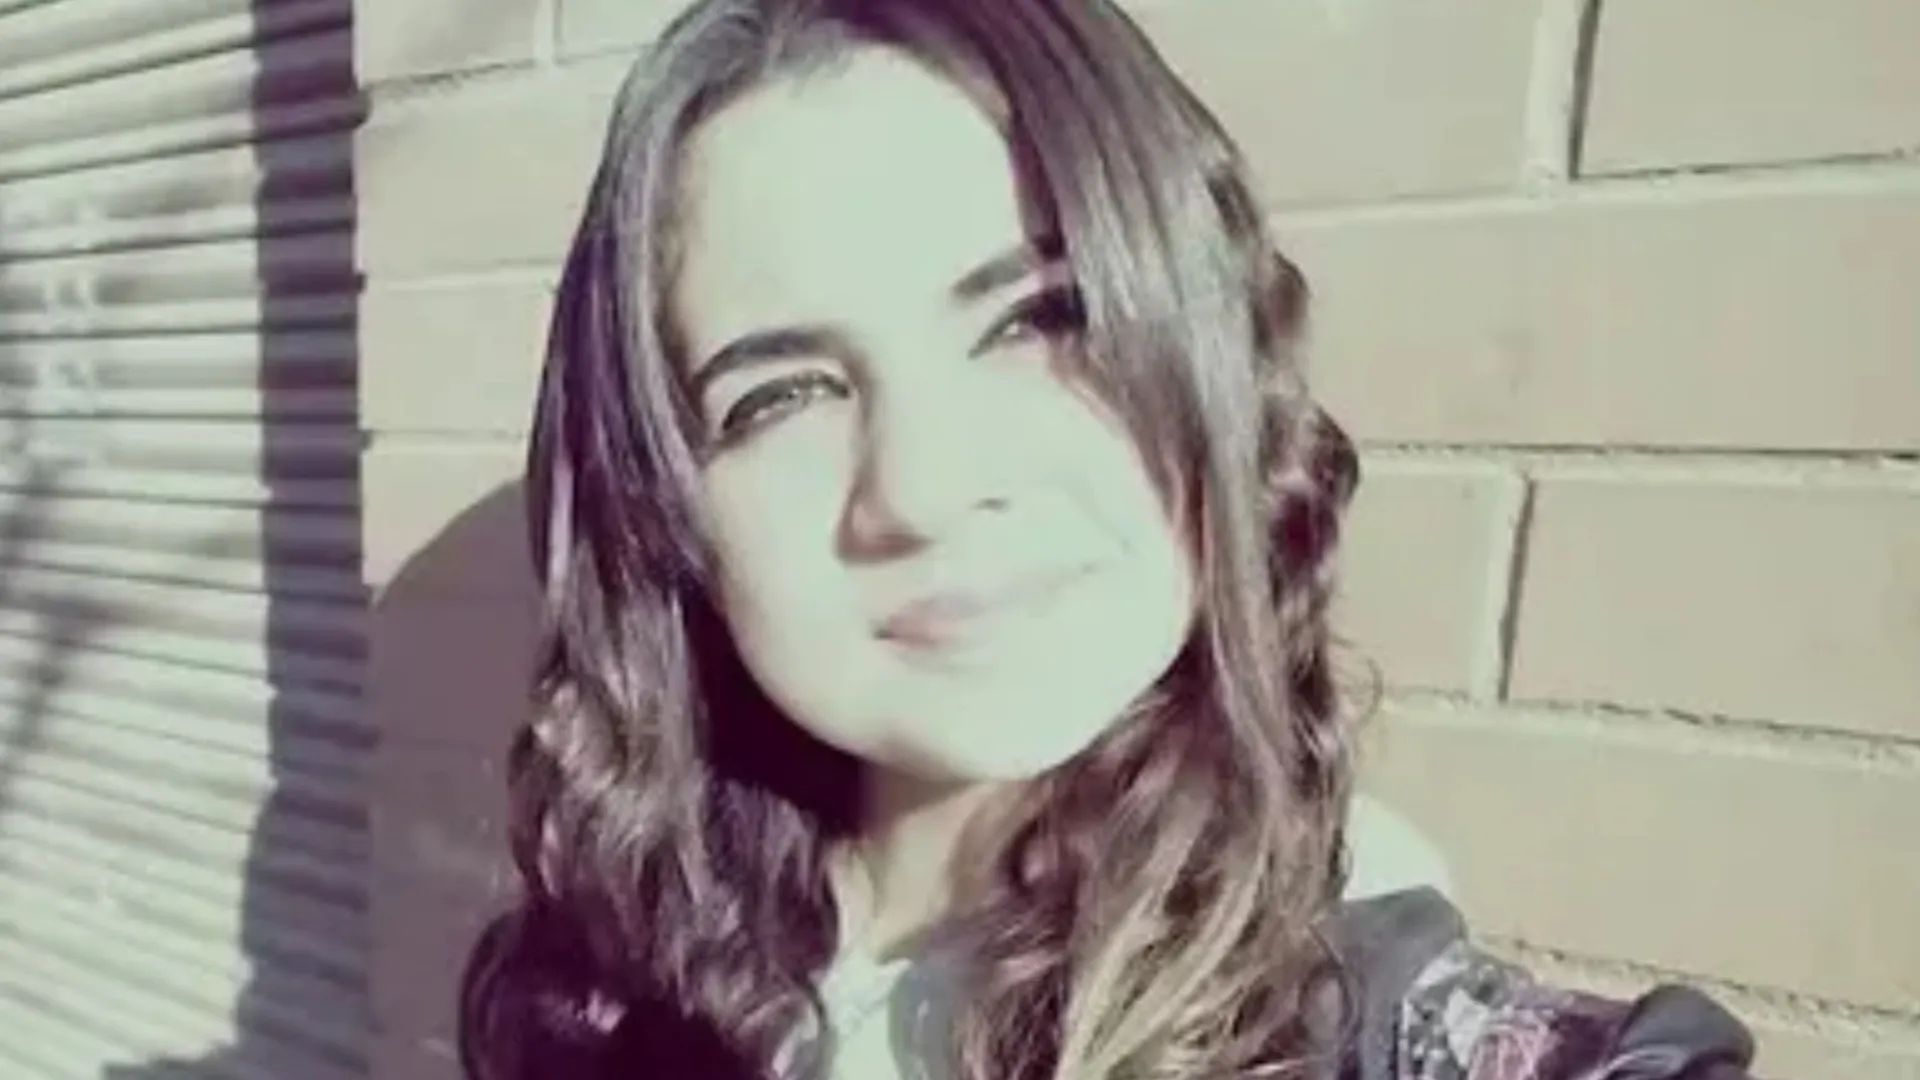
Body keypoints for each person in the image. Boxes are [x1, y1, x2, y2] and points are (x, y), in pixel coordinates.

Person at [457, 1, 1764, 1077]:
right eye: (783, 394)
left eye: (1035, 318)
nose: (924, 487)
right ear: (662, 512)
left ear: (1208, 354)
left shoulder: (1368, 1004)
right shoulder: (607, 983)